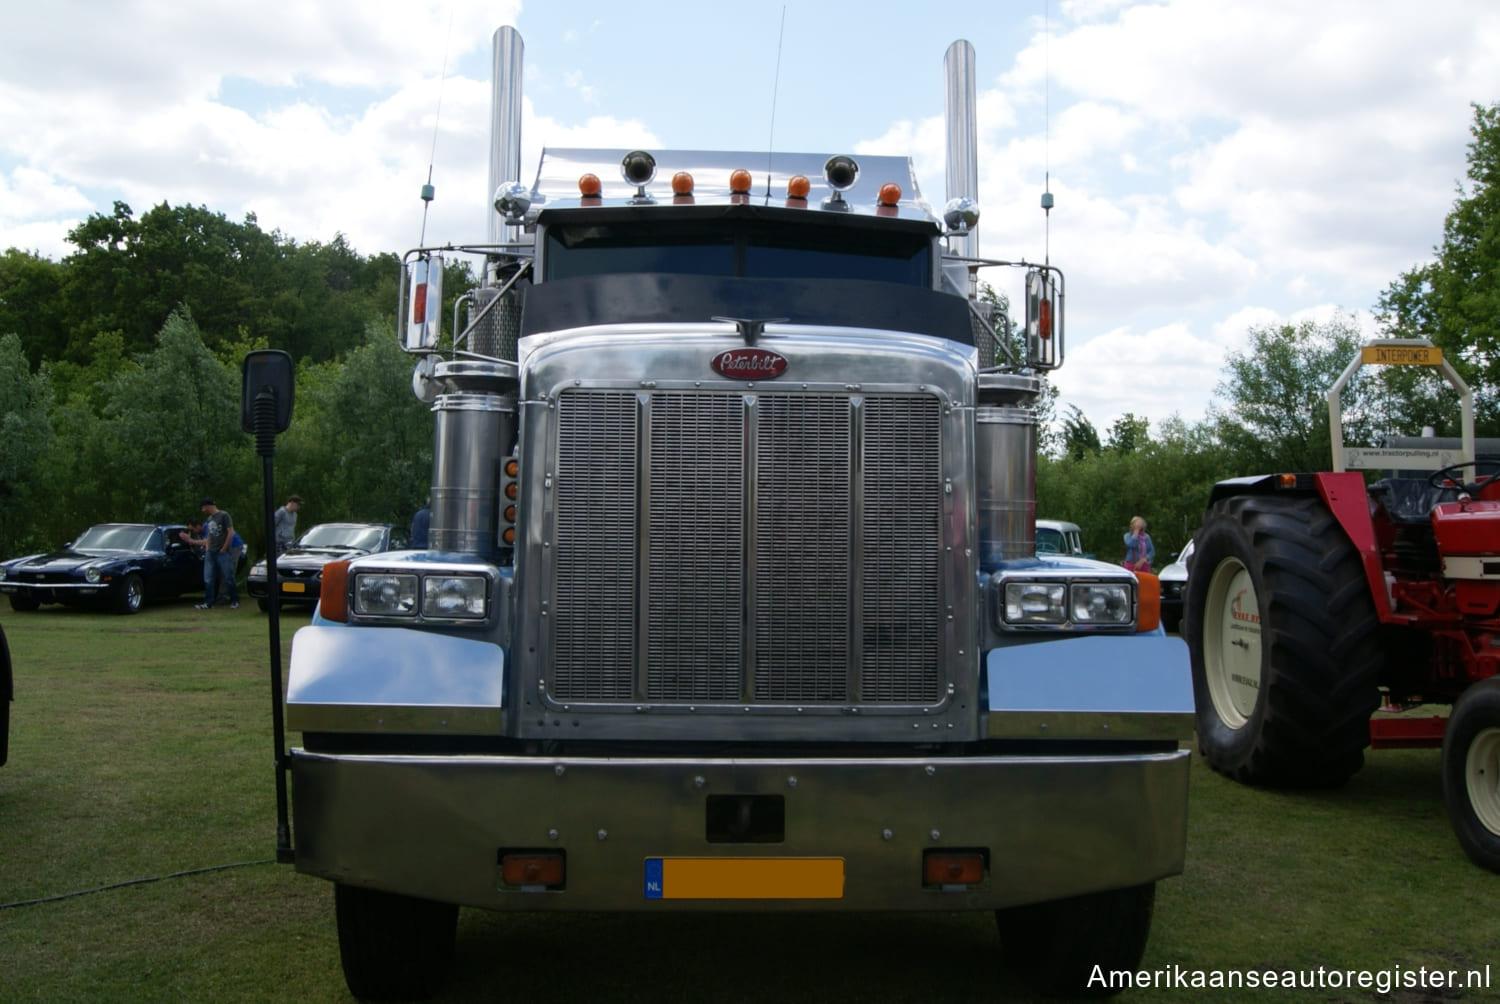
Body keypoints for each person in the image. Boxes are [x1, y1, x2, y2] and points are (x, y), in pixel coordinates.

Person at [186, 499, 238, 609]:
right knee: (208, 578)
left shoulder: (224, 515)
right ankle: (208, 602)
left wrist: (224, 548)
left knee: (228, 576)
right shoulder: (209, 519)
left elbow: (230, 532)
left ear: (207, 506)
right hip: (211, 552)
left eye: (203, 508)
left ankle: (234, 600)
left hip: (222, 552)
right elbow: (209, 534)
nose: (202, 510)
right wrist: (208, 548)